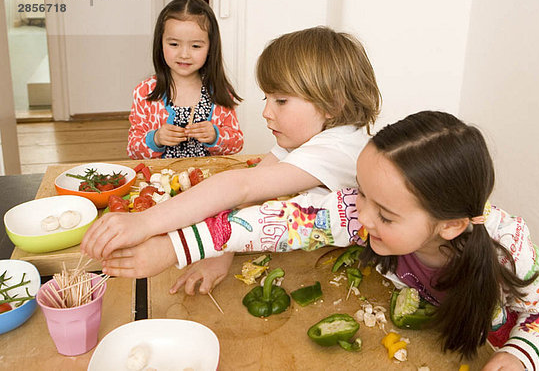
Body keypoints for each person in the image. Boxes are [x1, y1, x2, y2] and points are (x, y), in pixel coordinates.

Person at [102, 111, 539, 370]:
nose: (360, 216)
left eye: (384, 213)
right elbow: (272, 221)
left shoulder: (507, 248)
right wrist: (168, 246)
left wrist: (519, 357)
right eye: (361, 194)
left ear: (450, 225)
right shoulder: (361, 211)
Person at [82, 26, 381, 294]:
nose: (266, 112)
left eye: (281, 100)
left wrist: (144, 223)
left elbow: (241, 187)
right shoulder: (313, 137)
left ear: (332, 103)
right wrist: (219, 256)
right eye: (267, 99)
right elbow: (251, 196)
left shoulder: (339, 149)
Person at [127, 0, 243, 159]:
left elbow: (237, 143)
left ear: (211, 47)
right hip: (160, 181)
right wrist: (156, 139)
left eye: (195, 46)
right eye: (174, 44)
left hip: (209, 180)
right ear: (160, 44)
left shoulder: (218, 91)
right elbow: (133, 149)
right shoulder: (145, 92)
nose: (184, 54)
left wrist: (216, 136)